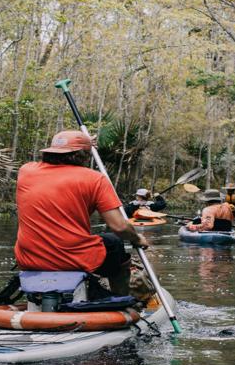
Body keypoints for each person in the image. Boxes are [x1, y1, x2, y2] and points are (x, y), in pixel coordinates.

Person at [15, 130, 150, 309]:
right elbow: (119, 226)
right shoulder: (95, 179)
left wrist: (84, 143)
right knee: (115, 243)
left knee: (105, 241)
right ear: (84, 156)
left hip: (30, 259)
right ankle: (122, 302)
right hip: (74, 259)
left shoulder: (26, 171)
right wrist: (136, 238)